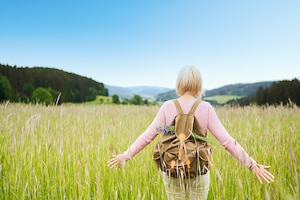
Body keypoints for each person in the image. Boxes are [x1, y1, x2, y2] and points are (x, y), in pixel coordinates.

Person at [108, 65, 275, 199]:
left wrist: (126, 155)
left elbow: (148, 136)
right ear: (199, 84)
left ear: (179, 84)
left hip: (172, 170)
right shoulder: (205, 108)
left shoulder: (167, 106)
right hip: (199, 171)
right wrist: (252, 165)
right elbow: (227, 142)